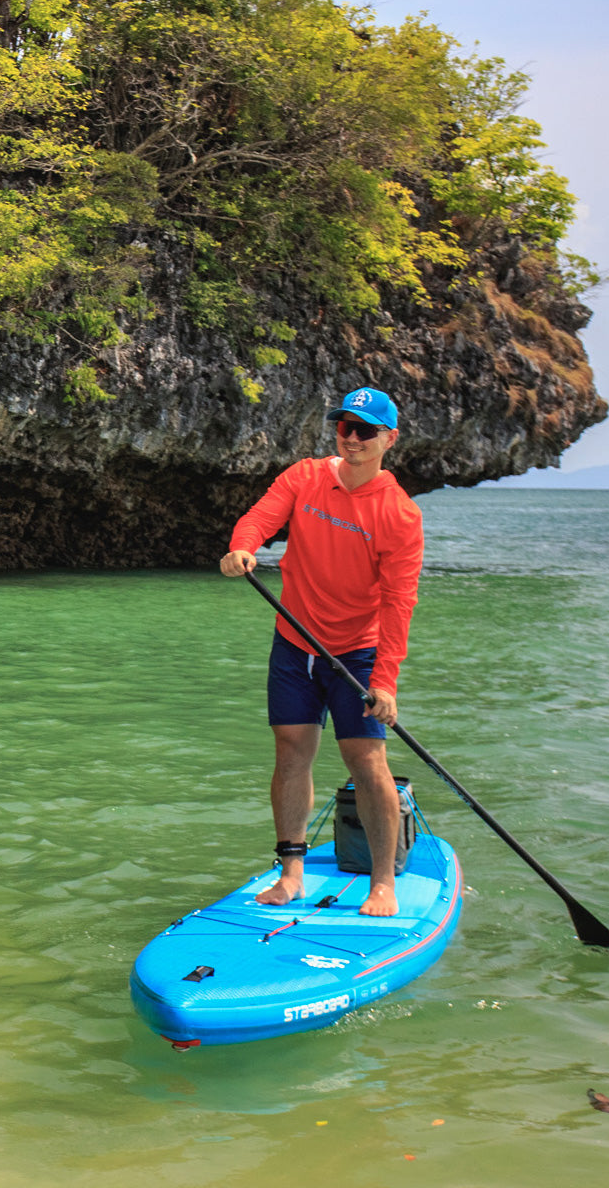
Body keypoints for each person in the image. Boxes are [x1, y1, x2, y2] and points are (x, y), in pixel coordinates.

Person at [219, 388, 423, 917]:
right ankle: (291, 874)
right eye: (344, 427)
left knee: (366, 759)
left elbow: (400, 602)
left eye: (365, 431)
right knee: (291, 751)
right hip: (294, 641)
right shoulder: (305, 476)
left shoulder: (398, 514)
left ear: (389, 439)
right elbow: (262, 517)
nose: (351, 439)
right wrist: (244, 546)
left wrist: (386, 681)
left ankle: (383, 884)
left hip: (356, 651)